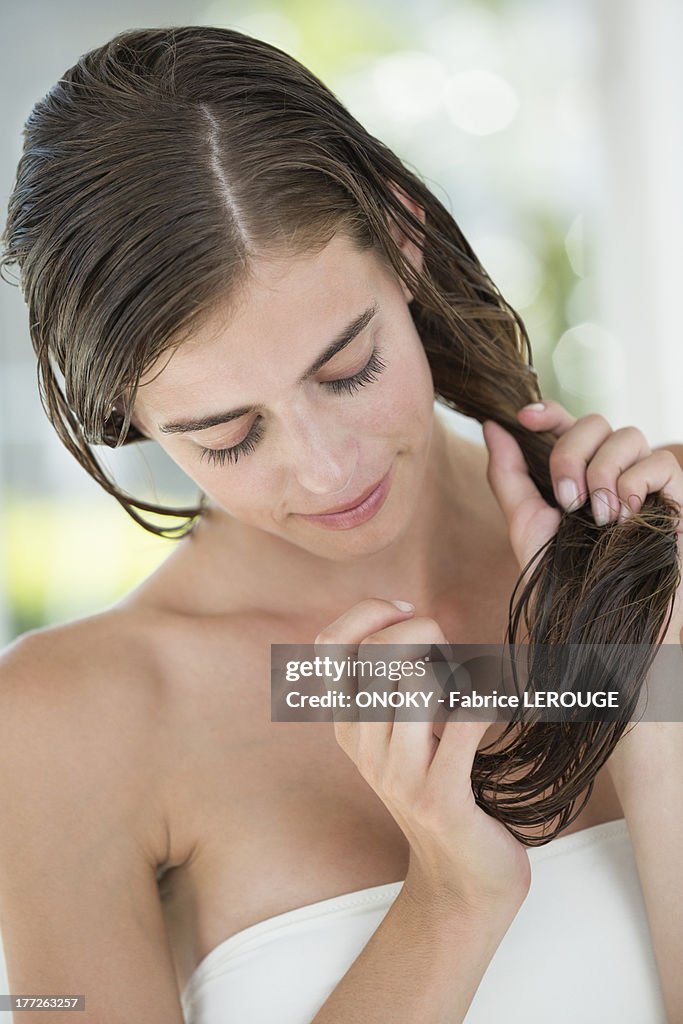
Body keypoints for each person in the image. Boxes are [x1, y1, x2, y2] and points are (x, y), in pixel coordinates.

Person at [0, 25, 681, 1024]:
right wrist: (452, 899)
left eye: (346, 368)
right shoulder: (60, 726)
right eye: (227, 435)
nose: (326, 469)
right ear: (126, 419)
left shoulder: (660, 566)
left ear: (402, 237)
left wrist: (655, 710)